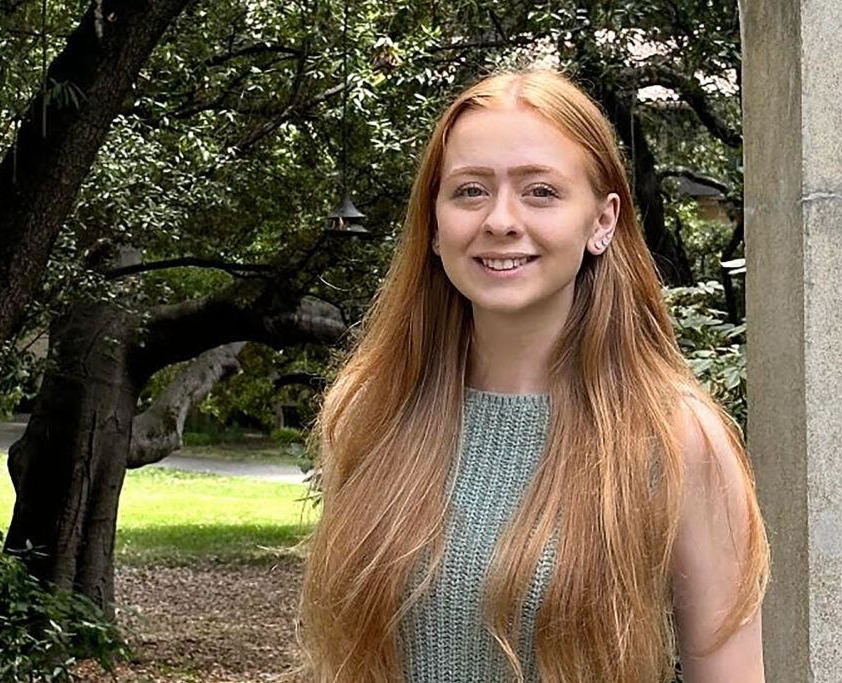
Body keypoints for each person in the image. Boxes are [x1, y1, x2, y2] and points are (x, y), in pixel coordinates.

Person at [292, 69, 769, 683]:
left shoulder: (674, 436)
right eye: (469, 191)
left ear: (601, 222)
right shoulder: (372, 412)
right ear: (434, 225)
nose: (500, 220)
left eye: (540, 191)